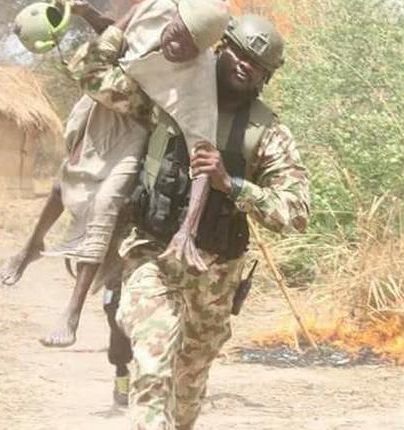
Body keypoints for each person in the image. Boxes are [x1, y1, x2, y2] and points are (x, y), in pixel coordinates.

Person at [114, 14, 310, 429]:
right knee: (152, 366)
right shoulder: (169, 93)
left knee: (188, 383)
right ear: (220, 49)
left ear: (265, 76)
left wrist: (233, 184)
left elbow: (296, 213)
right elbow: (97, 79)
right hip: (154, 254)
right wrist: (116, 24)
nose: (243, 65)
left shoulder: (268, 134)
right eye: (238, 53)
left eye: (255, 64)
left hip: (215, 277)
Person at [0, 0, 230, 352]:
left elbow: (204, 159)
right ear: (174, 18)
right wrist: (87, 12)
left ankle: (72, 313)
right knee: (64, 185)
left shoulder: (198, 81)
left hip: (137, 124)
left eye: (188, 45)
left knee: (106, 202)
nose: (176, 46)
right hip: (101, 108)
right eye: (176, 33)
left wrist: (188, 230)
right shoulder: (157, 10)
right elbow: (116, 38)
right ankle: (32, 246)